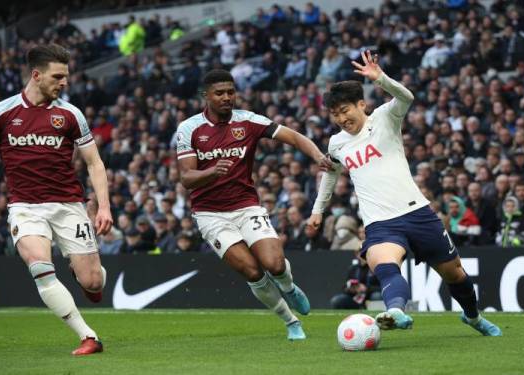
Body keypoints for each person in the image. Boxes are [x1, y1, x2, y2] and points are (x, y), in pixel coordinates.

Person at [308, 50, 501, 336]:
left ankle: (472, 317)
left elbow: (406, 97)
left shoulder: (386, 118)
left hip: (417, 213)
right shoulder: (337, 143)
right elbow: (331, 172)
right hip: (379, 222)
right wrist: (317, 211)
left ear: (361, 104)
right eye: (335, 114)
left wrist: (381, 78)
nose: (340, 118)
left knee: (454, 273)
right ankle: (395, 310)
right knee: (385, 266)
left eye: (345, 110)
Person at [0, 44, 113, 355]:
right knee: (39, 265)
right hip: (25, 208)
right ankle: (88, 336)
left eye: (66, 77)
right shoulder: (1, 113)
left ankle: (82, 273)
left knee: (93, 283)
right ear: (36, 75)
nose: (64, 83)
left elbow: (94, 162)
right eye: (58, 77)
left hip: (68, 206)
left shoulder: (70, 114)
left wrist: (103, 206)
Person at [176, 69, 331, 340]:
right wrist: (212, 172)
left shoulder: (247, 121)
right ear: (206, 96)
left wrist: (317, 155)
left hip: (247, 206)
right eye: (220, 93)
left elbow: (293, 136)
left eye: (230, 92)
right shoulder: (189, 128)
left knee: (275, 264)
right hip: (210, 214)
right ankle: (290, 321)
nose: (227, 97)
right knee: (252, 271)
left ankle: (290, 287)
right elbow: (187, 178)